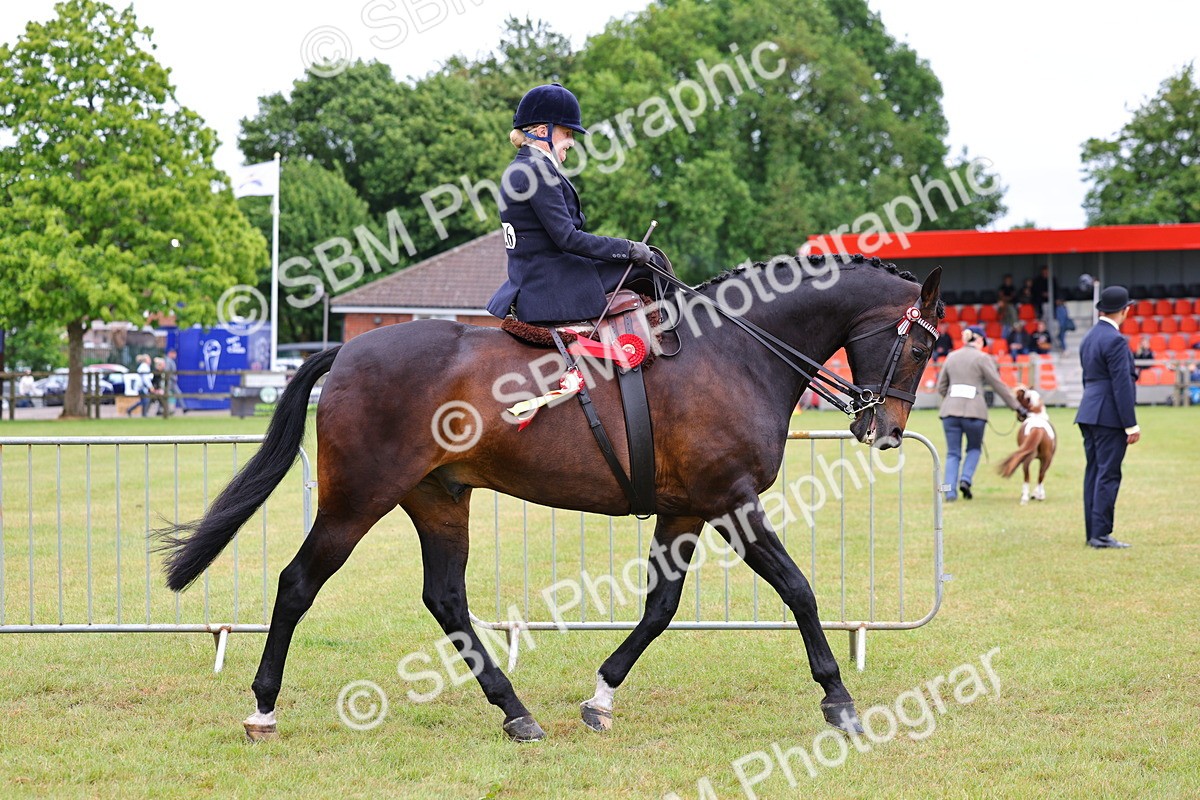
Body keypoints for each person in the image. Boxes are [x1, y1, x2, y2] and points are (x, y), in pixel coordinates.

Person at [486, 83, 656, 324]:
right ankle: (673, 351)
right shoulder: (536, 172)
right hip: (553, 283)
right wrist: (627, 248)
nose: (572, 142)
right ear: (544, 131)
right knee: (651, 264)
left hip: (538, 275)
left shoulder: (520, 168)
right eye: (567, 133)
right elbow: (568, 238)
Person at [1075, 285, 1140, 549]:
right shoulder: (1115, 340)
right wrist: (1130, 424)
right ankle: (1101, 534)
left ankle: (1094, 531)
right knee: (1108, 474)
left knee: (1093, 471)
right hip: (1108, 415)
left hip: (1088, 411)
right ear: (1125, 311)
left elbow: (1086, 378)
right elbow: (1121, 384)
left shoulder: (1089, 338)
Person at [937, 326, 1023, 502]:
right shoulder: (983, 358)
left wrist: (953, 399)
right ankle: (966, 479)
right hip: (975, 413)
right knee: (974, 448)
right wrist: (1017, 407)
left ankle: (949, 492)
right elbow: (997, 385)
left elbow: (941, 387)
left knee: (953, 453)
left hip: (950, 412)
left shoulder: (951, 357)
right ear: (979, 340)